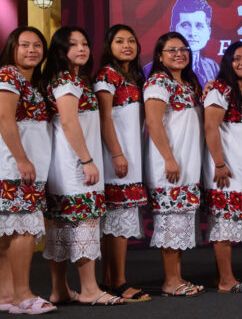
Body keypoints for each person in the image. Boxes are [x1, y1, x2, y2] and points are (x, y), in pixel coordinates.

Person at [42, 26, 124, 306]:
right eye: (73, 44)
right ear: (60, 51)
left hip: (64, 166)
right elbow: (68, 122)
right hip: (74, 165)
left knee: (61, 228)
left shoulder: (71, 79)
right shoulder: (66, 81)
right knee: (84, 225)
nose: (81, 48)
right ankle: (89, 289)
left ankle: (60, 290)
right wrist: (87, 160)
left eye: (85, 43)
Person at [0, 27, 56, 314]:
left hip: (12, 167)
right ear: (12, 47)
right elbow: (5, 119)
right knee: (22, 230)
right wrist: (22, 159)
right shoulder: (6, 76)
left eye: (37, 45)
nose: (32, 50)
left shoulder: (27, 80)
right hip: (13, 167)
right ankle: (24, 296)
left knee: (9, 232)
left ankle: (7, 296)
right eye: (24, 45)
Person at [144, 32, 204, 297]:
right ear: (159, 56)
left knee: (179, 221)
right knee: (170, 221)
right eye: (172, 50)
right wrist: (168, 157)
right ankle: (170, 281)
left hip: (186, 163)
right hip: (169, 163)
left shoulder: (188, 83)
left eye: (183, 49)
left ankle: (177, 277)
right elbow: (153, 122)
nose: (179, 53)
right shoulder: (159, 82)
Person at [94, 25, 150, 302]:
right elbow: (104, 118)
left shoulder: (132, 76)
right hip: (117, 159)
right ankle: (118, 281)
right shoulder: (107, 75)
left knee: (117, 222)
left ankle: (108, 279)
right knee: (118, 222)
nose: (127, 45)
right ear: (109, 45)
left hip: (130, 158)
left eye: (131, 40)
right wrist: (116, 154)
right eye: (119, 41)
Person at [202, 41, 242, 294]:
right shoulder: (220, 89)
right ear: (227, 62)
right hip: (225, 168)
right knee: (224, 224)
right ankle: (227, 280)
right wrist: (219, 164)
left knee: (230, 221)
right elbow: (210, 127)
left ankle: (220, 276)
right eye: (237, 58)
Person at [144, 0, 219, 87]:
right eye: (185, 25)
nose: (192, 32)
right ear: (173, 29)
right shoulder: (149, 71)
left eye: (199, 25)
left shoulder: (212, 67)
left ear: (209, 32)